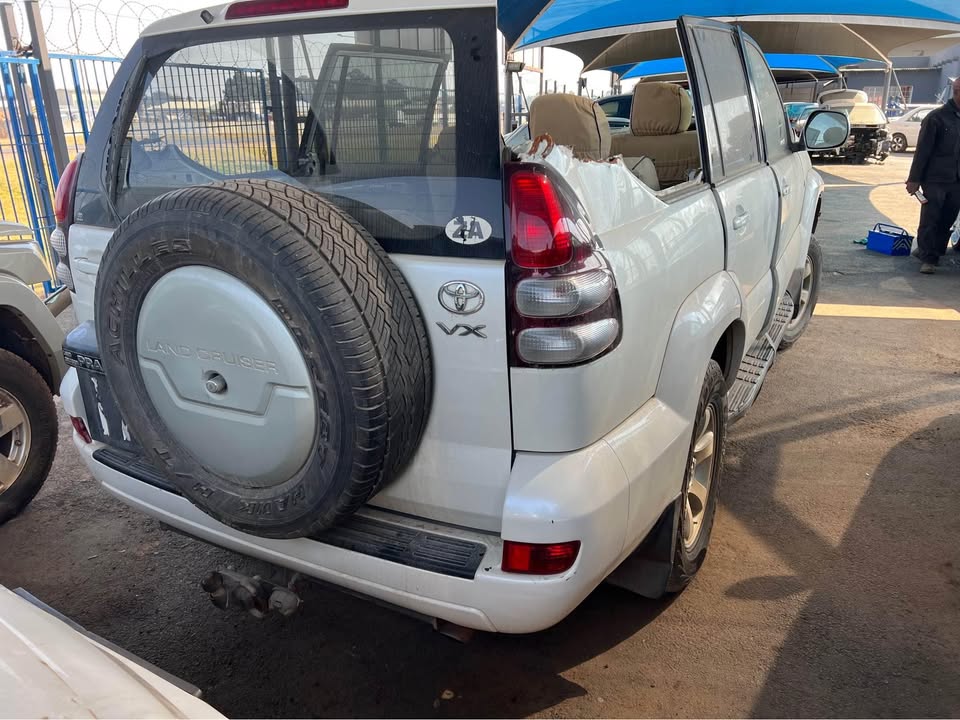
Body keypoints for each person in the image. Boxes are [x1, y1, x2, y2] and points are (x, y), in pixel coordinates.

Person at [905, 77, 960, 274]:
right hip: (935, 179)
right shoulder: (936, 118)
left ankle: (932, 251)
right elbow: (922, 151)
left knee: (948, 219)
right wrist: (914, 179)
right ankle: (928, 259)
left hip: (956, 181)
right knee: (931, 218)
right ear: (957, 91)